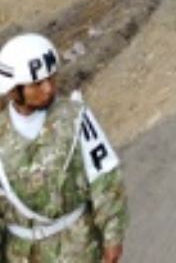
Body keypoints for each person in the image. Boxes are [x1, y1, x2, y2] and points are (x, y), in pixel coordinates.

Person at [0, 32, 127, 263]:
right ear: (13, 89)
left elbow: (105, 178)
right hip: (22, 255)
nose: (49, 88)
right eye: (37, 83)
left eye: (51, 78)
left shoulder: (75, 116)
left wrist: (112, 235)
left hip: (79, 247)